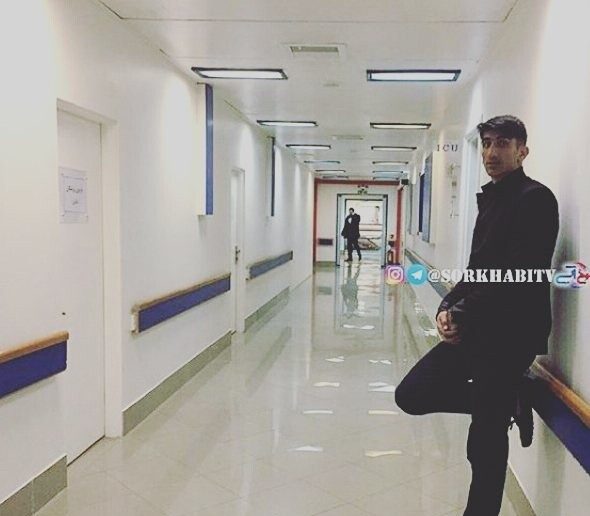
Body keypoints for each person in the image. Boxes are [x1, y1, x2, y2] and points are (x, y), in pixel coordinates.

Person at [394, 115, 559, 516]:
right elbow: (477, 271)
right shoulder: (492, 199)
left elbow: (517, 276)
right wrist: (446, 308)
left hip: (511, 335)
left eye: (502, 143)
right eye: (486, 143)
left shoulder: (535, 199)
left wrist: (462, 314)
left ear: (522, 151)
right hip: (479, 328)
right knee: (412, 394)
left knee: (484, 441)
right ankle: (511, 401)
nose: (490, 152)